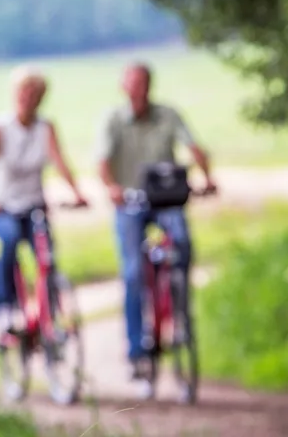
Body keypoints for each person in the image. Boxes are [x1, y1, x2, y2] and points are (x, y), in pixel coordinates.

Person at [96, 63, 217, 395]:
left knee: (181, 247)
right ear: (124, 87)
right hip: (131, 202)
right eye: (133, 85)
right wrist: (112, 187)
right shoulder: (114, 119)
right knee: (134, 274)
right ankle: (137, 354)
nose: (139, 91)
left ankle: (181, 319)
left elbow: (194, 146)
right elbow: (102, 162)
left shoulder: (167, 115)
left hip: (166, 199)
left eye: (144, 84)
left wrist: (206, 177)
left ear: (151, 86)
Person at [0, 67, 88, 334]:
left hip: (34, 204)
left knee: (47, 256)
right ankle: (6, 308)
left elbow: (59, 160)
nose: (28, 98)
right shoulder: (0, 128)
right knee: (9, 242)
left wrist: (77, 192)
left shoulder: (45, 128)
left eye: (33, 94)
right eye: (23, 92)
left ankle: (50, 312)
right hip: (4, 205)